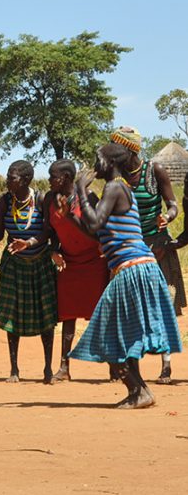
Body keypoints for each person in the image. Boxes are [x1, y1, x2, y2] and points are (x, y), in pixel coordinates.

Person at [69, 142, 182, 408]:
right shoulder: (123, 189)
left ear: (109, 163)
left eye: (97, 161)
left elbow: (95, 221)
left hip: (131, 269)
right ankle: (139, 391)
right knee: (124, 336)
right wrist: (74, 212)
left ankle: (138, 391)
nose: (94, 166)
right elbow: (98, 232)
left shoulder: (114, 187)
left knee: (106, 334)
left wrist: (80, 191)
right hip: (138, 267)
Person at [110, 127, 182, 384]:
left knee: (164, 307)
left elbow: (172, 203)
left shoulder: (155, 171)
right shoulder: (116, 178)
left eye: (116, 148)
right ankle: (131, 367)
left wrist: (168, 216)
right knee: (129, 309)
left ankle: (166, 365)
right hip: (128, 248)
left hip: (157, 247)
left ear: (129, 150)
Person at [0, 160, 57, 383]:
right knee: (11, 315)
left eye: (12, 178)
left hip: (41, 262)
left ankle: (48, 368)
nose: (7, 181)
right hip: (14, 264)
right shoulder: (4, 201)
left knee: (46, 315)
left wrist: (29, 242)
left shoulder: (42, 199)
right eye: (7, 177)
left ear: (25, 180)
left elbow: (49, 231)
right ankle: (14, 369)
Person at [44, 159, 110, 382]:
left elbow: (97, 233)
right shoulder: (49, 200)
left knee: (101, 315)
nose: (50, 180)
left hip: (94, 262)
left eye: (54, 176)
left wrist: (70, 217)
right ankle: (64, 367)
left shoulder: (88, 198)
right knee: (68, 315)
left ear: (66, 178)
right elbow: (49, 230)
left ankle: (114, 366)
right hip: (69, 264)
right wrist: (54, 250)